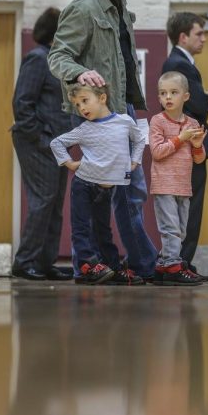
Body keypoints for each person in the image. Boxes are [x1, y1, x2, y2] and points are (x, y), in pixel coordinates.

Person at [49, 0, 157, 282]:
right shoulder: (82, 9)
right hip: (92, 114)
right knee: (109, 191)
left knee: (122, 190)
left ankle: (114, 261)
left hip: (121, 108)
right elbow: (57, 56)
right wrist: (80, 73)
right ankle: (134, 263)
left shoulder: (120, 4)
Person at [50, 84, 148, 286]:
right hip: (83, 186)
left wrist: (135, 161)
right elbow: (56, 143)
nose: (81, 108)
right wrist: (69, 163)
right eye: (77, 105)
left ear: (102, 98)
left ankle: (111, 267)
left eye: (85, 101)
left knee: (103, 229)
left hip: (106, 189)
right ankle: (86, 266)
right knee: (81, 228)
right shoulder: (84, 129)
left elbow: (139, 140)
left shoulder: (124, 122)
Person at [10, 7, 74, 282]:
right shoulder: (37, 59)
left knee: (54, 203)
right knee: (43, 200)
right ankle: (25, 262)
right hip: (38, 142)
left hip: (56, 144)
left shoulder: (57, 61)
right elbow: (21, 103)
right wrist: (40, 138)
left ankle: (45, 262)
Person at [161, 12, 208, 281]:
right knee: (188, 207)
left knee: (185, 206)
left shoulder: (181, 63)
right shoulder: (180, 64)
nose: (204, 39)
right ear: (183, 37)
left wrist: (204, 98)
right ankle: (181, 263)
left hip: (184, 145)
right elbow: (196, 104)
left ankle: (182, 262)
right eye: (199, 33)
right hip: (187, 147)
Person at [149, 71, 206, 286]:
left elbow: (198, 160)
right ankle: (173, 267)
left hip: (183, 186)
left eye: (174, 92)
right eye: (163, 93)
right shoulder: (157, 121)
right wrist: (180, 139)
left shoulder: (192, 123)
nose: (168, 98)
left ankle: (163, 265)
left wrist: (198, 145)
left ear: (186, 96)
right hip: (164, 185)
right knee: (170, 229)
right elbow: (157, 152)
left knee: (181, 231)